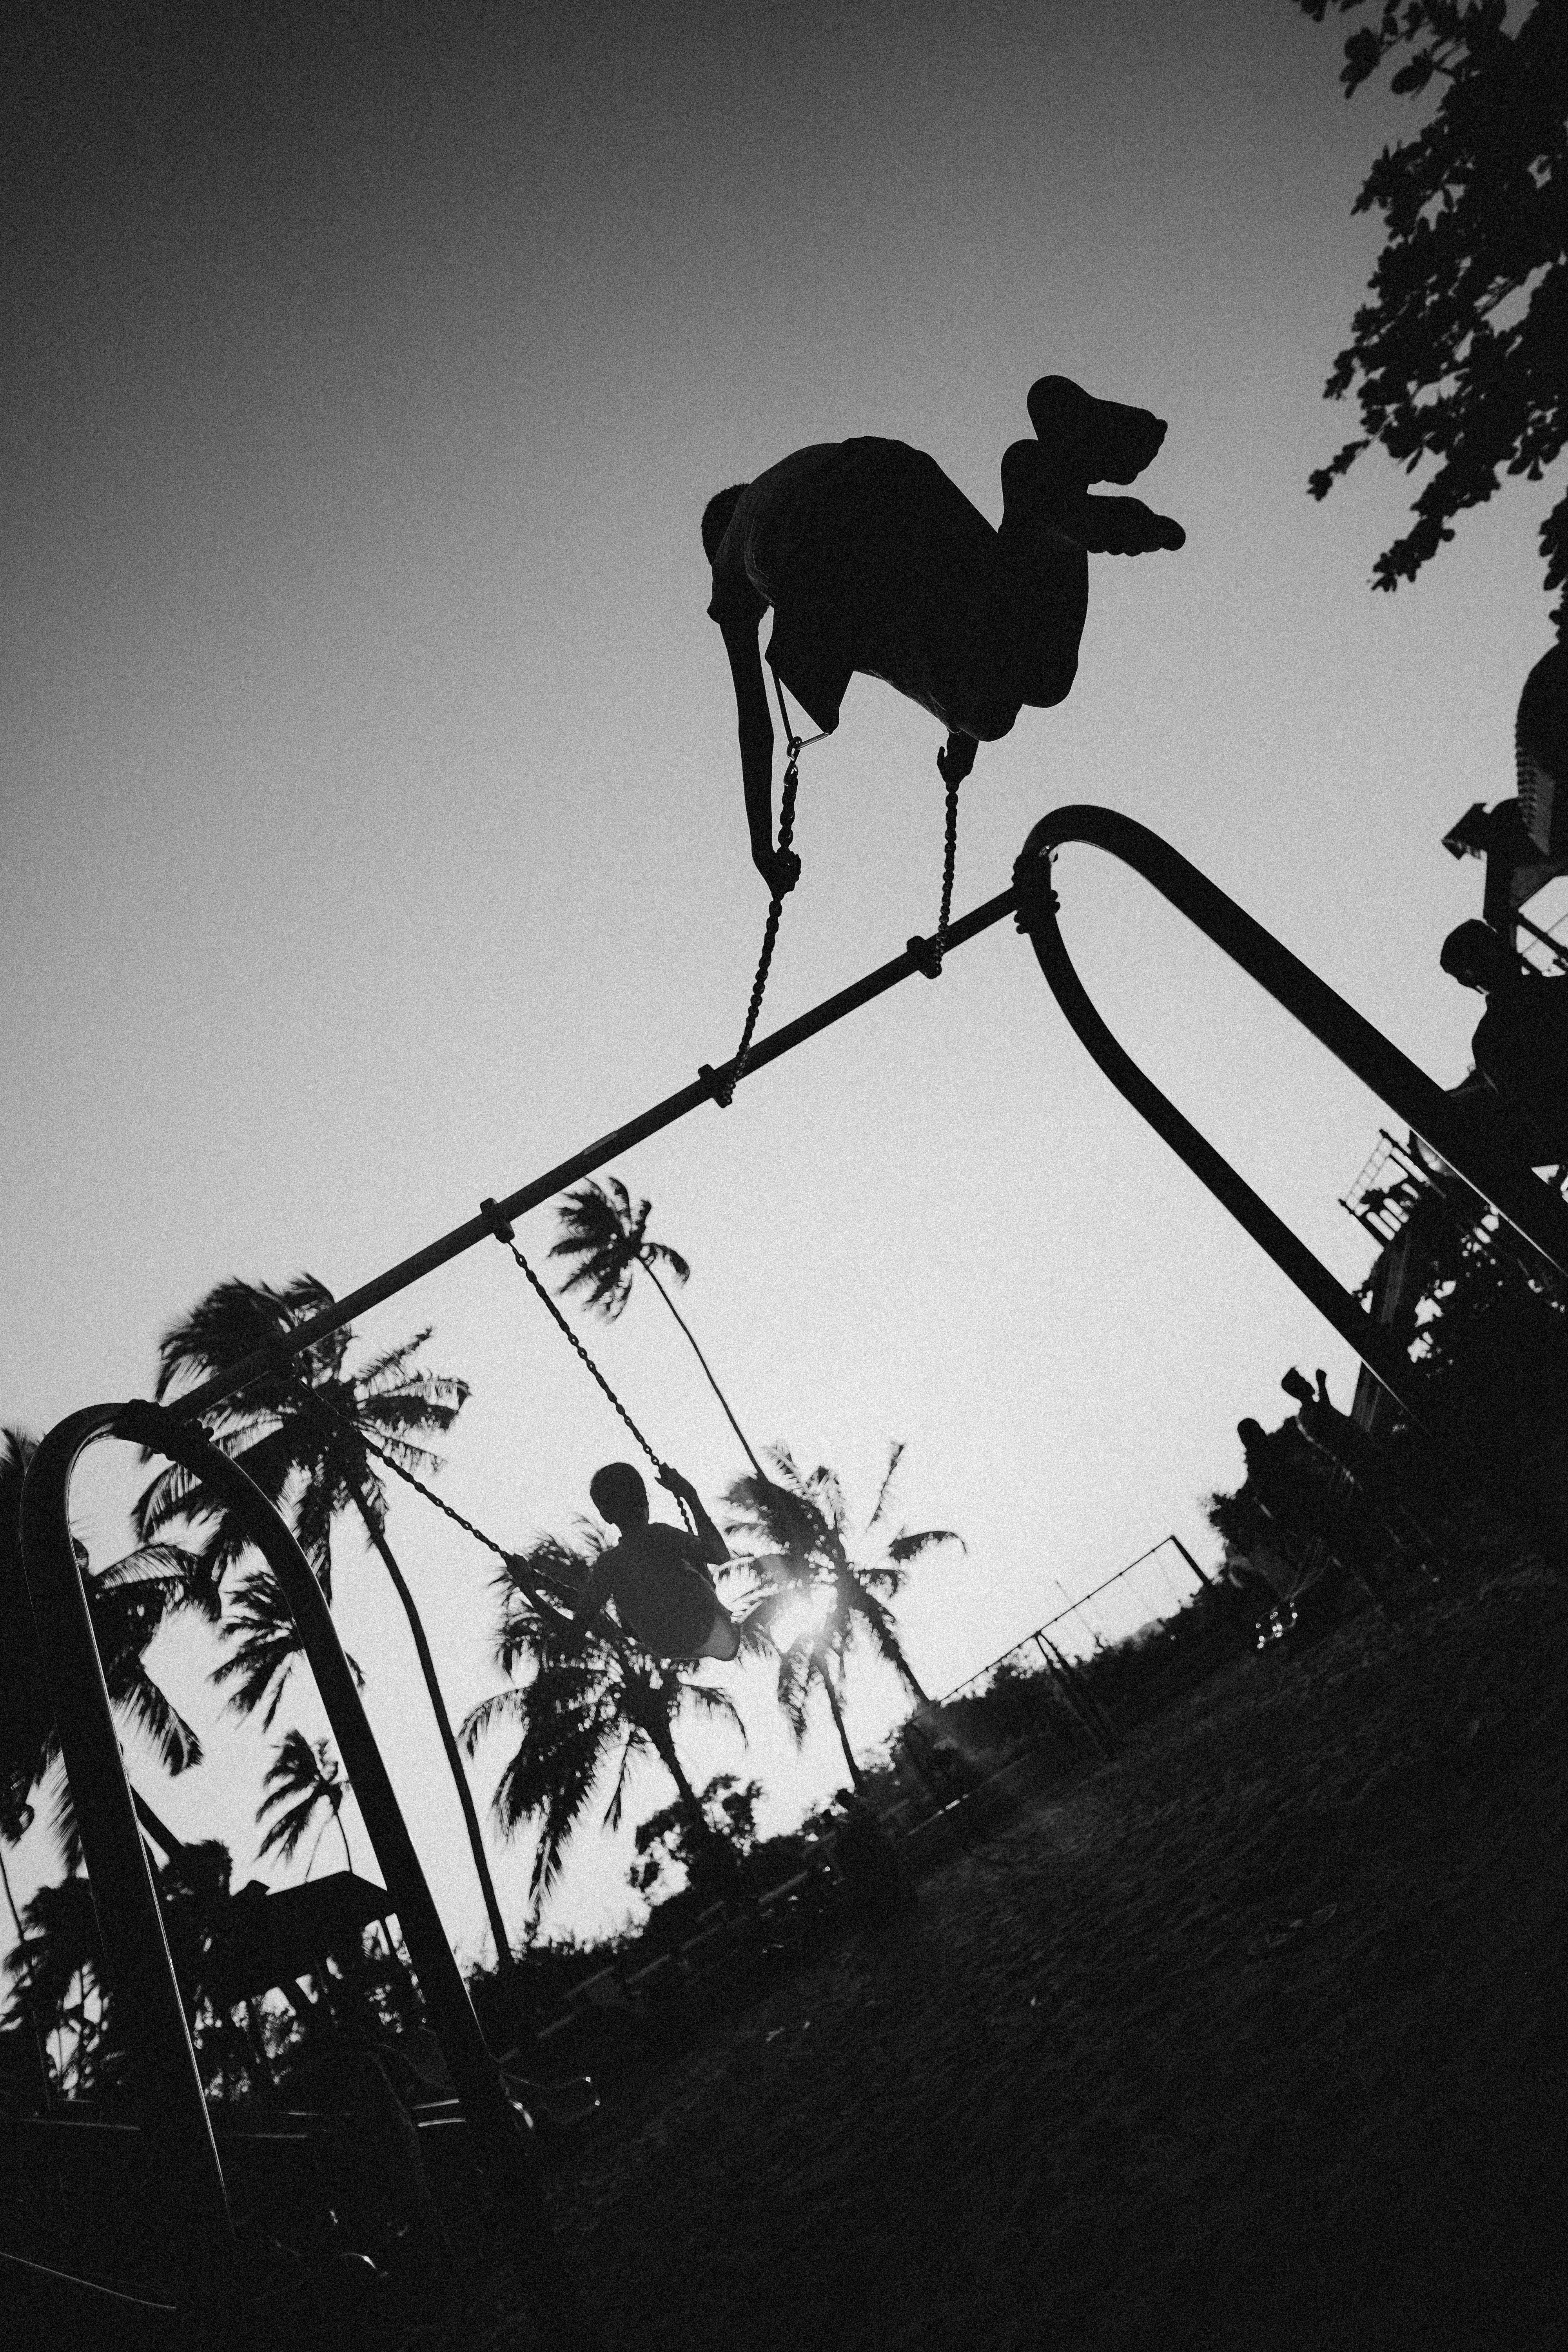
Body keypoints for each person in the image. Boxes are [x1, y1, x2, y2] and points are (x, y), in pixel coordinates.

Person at [704, 374, 1185, 893]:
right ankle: (1047, 478)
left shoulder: (733, 548)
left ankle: (1045, 496)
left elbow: (754, 724)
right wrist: (960, 744)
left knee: (992, 711)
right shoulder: (788, 471)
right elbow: (950, 615)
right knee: (1038, 665)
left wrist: (763, 851)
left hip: (815, 541)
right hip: (890, 471)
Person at [568, 1462, 742, 1662]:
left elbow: (577, 1628)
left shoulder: (609, 1565)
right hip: (706, 1627)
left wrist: (532, 1589)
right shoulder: (658, 1536)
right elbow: (720, 1556)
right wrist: (689, 1494)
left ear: (606, 1516)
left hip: (669, 1645)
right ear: (644, 1501)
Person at [1439, 917, 1568, 1163]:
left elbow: (1538, 1121)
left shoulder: (1490, 1041)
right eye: (1490, 948)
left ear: (1469, 983)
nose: (1503, 949)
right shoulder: (1560, 991)